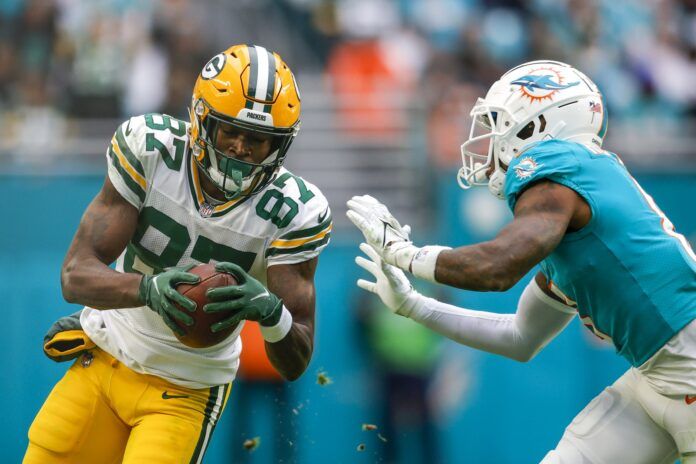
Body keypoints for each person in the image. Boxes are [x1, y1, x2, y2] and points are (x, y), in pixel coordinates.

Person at [348, 60, 696, 463]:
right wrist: (414, 305)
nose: (488, 139)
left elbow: (498, 267)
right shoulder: (575, 223)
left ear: (539, 126)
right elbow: (520, 338)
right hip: (656, 375)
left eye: (499, 123)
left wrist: (405, 254)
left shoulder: (559, 167)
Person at [24, 44, 332, 464]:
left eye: (259, 140)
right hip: (107, 354)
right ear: (201, 120)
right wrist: (147, 289)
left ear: (280, 146)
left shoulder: (294, 211)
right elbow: (75, 275)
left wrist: (268, 310)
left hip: (186, 388)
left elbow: (296, 358)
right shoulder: (152, 149)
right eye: (231, 132)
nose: (242, 148)